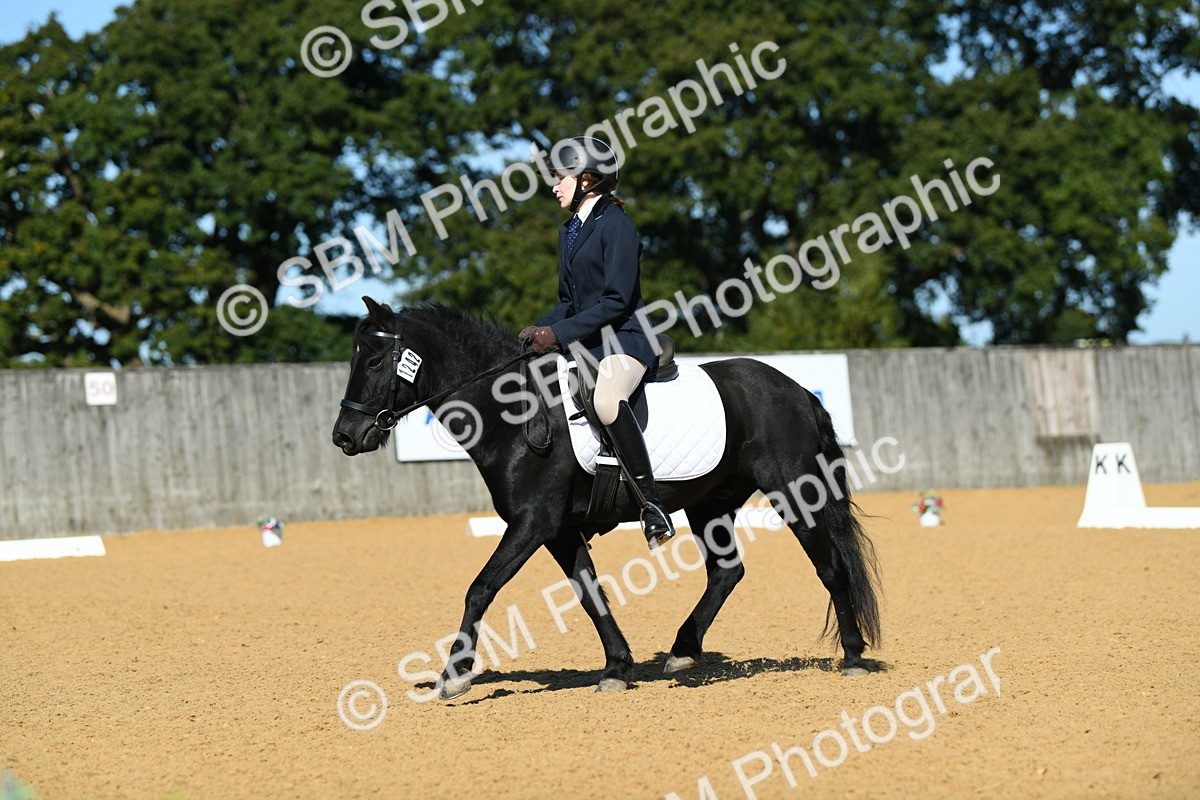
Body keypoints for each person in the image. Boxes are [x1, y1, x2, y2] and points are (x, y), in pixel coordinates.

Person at [518, 135, 676, 550]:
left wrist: (558, 334)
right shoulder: (569, 231)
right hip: (587, 341)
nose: (554, 186)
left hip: (625, 338)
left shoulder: (617, 225)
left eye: (560, 177)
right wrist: (538, 329)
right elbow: (569, 302)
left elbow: (616, 300)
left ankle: (651, 505)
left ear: (587, 179)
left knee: (606, 400)